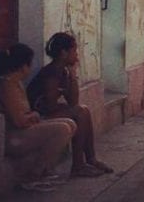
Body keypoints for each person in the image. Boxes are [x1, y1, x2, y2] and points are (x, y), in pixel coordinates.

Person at [27, 32, 113, 178]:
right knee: (79, 113)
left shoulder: (64, 71)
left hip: (48, 110)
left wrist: (72, 75)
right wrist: (67, 109)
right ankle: (78, 165)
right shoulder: (52, 73)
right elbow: (50, 105)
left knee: (83, 110)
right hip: (37, 115)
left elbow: (73, 101)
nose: (77, 55)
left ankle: (91, 159)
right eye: (74, 51)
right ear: (63, 53)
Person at [0, 43, 77, 192]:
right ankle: (33, 175)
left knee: (70, 124)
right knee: (63, 129)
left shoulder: (16, 83)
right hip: (14, 137)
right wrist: (34, 116)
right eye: (30, 63)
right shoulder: (7, 85)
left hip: (24, 130)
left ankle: (45, 170)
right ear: (23, 66)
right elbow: (19, 120)